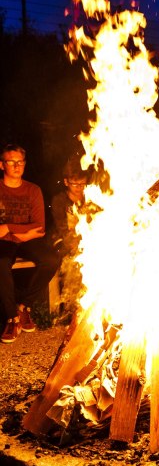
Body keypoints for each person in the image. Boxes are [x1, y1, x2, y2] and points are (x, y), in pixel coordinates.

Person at [0, 144, 60, 343]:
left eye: (21, 162)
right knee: (1, 263)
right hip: (5, 242)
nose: (17, 166)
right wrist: (18, 231)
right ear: (2, 165)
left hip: (29, 239)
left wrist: (8, 228)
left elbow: (39, 227)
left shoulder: (33, 190)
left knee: (51, 259)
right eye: (12, 162)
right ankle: (12, 318)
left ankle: (24, 306)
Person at [50, 156, 91, 258]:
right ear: (66, 182)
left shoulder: (91, 198)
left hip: (88, 238)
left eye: (82, 183)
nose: (79, 187)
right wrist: (73, 242)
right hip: (63, 239)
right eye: (75, 183)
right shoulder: (59, 200)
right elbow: (61, 227)